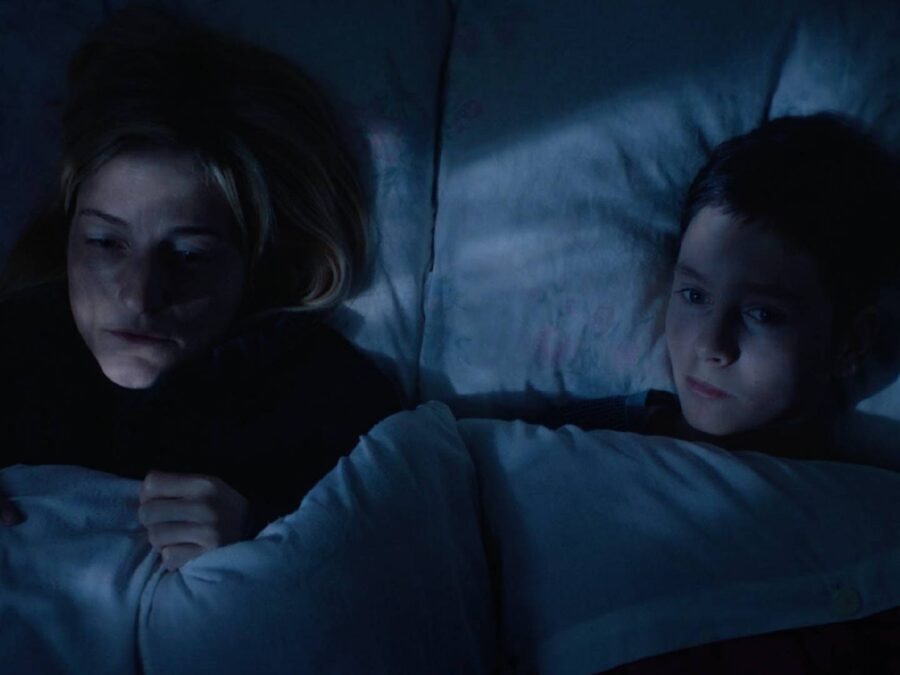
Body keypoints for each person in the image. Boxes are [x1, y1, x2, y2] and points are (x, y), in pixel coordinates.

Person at [0, 6, 401, 572]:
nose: (139, 296)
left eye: (189, 256)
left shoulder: (329, 404)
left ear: (254, 262)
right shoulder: (15, 349)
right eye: (105, 243)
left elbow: (391, 564)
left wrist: (265, 533)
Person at [533, 112, 900, 672]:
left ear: (849, 342)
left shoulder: (866, 522)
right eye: (694, 296)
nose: (711, 345)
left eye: (762, 314)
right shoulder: (582, 437)